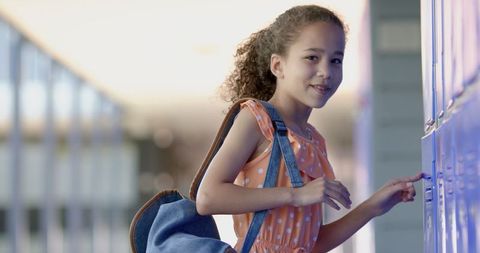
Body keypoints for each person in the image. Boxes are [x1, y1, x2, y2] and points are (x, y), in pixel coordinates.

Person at [196, 4, 422, 253]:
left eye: (336, 60)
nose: (326, 72)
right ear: (278, 66)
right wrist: (294, 194)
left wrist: (373, 206)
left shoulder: (314, 141)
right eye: (312, 57)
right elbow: (207, 198)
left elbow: (313, 244)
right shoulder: (256, 119)